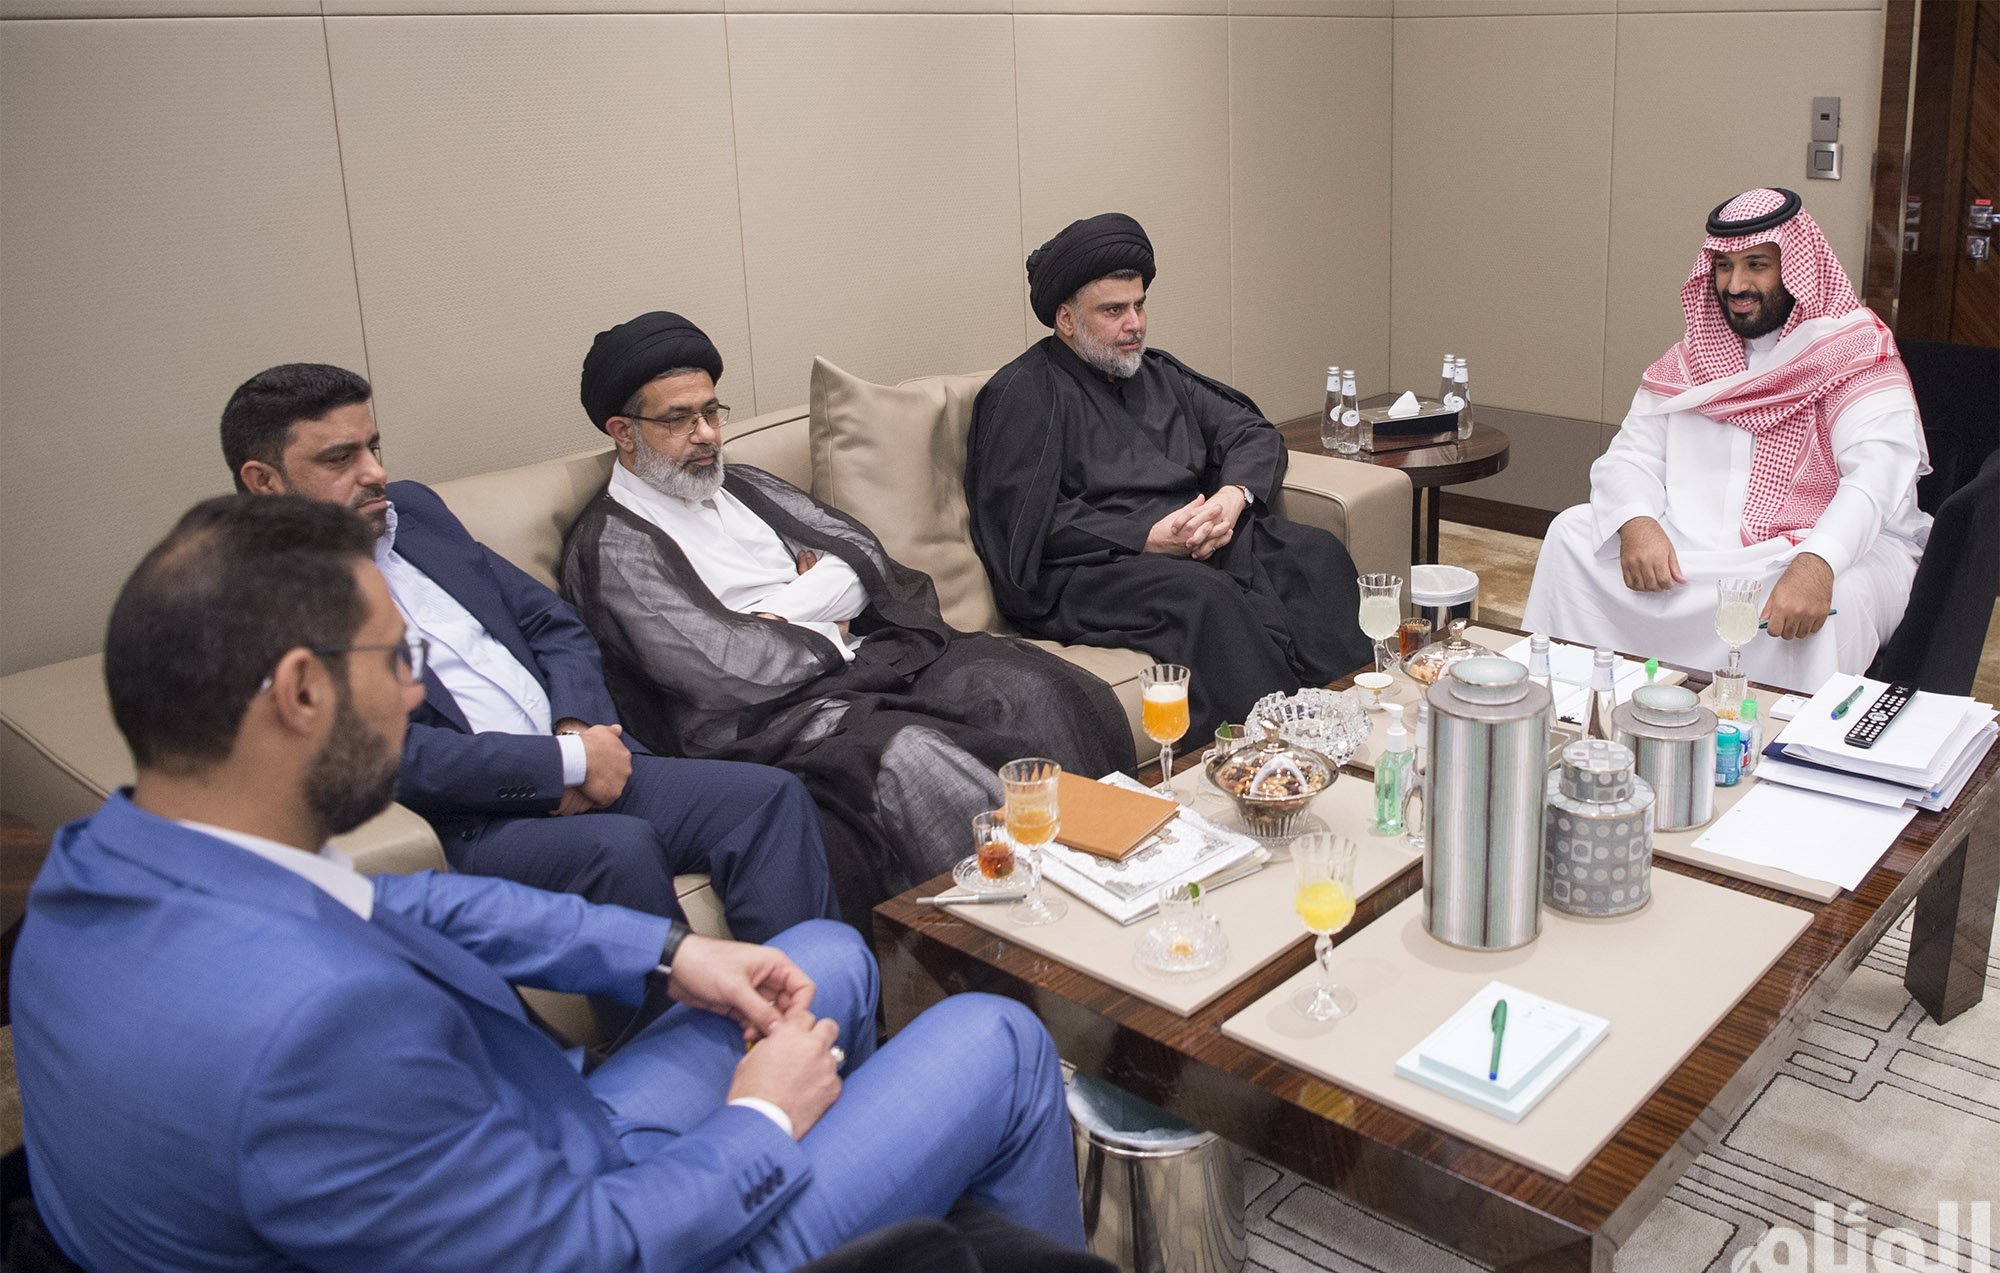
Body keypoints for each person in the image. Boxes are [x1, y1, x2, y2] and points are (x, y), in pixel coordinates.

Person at [9, 494, 1087, 1273]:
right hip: (600, 1232)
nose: (417, 688)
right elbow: (589, 1252)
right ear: (297, 691)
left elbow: (404, 904)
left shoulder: (97, 869)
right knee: (995, 1040)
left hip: (513, 1165)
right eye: (395, 660)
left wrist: (669, 951)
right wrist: (758, 1122)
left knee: (824, 954)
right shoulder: (317, 1031)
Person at [222, 363, 838, 944]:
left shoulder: (414, 512)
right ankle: (685, 1050)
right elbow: (387, 753)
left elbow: (553, 623)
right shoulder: (257, 600)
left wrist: (576, 730)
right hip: (479, 818)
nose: (374, 472)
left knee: (769, 797)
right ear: (264, 481)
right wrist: (556, 767)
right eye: (339, 459)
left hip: (583, 753)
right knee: (618, 851)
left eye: (372, 447)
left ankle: (812, 1018)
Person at [563, 313, 1132, 926]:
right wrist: (820, 617)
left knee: (1024, 686)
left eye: (712, 411)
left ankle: (1116, 877)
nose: (706, 434)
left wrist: (775, 613)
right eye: (679, 419)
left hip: (863, 659)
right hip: (766, 720)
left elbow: (860, 556)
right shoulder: (614, 546)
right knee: (913, 759)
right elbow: (725, 666)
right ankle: (1022, 940)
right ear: (623, 431)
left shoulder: (744, 484)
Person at [965, 212, 1372, 741]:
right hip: (1093, 567)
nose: (1134, 324)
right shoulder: (1023, 394)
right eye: (1113, 310)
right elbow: (1022, 523)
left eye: (1139, 305)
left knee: (1313, 555)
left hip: (1198, 540)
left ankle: (1353, 724)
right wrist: (1146, 537)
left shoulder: (1158, 374)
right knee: (1205, 598)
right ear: (1066, 319)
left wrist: (1231, 498)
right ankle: (1268, 752)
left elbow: (1250, 432)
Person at [1523, 188, 1929, 689]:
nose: (1736, 284)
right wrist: (1637, 521)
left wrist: (1817, 563)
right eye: (1723, 266)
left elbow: (1877, 479)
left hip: (1822, 548)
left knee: (1834, 604)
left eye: (1757, 265)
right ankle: (1574, 700)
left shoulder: (1854, 353)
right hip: (1700, 550)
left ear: (1797, 266)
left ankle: (1774, 751)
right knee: (1571, 535)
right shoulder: (1693, 359)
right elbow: (1629, 456)